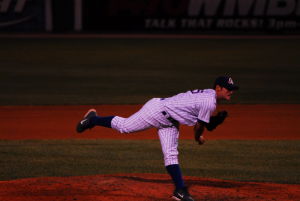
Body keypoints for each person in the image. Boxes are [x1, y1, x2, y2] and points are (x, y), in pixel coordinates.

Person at [76, 75, 239, 201]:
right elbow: (199, 126)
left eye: (232, 88)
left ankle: (180, 191)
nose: (231, 91)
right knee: (125, 127)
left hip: (170, 120)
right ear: (218, 88)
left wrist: (209, 123)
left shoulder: (210, 95)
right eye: (228, 88)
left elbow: (200, 119)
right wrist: (199, 137)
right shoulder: (209, 102)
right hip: (157, 111)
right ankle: (93, 119)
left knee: (171, 154)